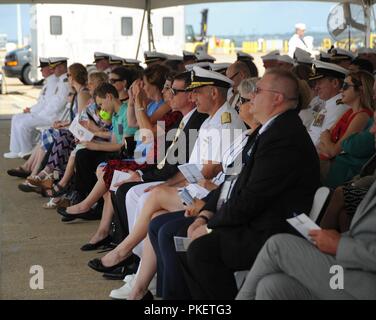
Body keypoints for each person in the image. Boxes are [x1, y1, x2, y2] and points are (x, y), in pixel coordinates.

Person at [182, 69, 320, 299]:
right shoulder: (268, 132)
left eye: (257, 91)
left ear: (277, 98)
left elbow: (253, 198)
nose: (251, 96)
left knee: (200, 251)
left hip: (271, 230)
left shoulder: (285, 137)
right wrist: (205, 214)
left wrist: (210, 227)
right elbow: (231, 181)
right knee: (184, 242)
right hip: (253, 221)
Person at [236, 179, 376, 300]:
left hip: (365, 283)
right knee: (270, 286)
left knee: (277, 246)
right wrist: (337, 238)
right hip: (354, 269)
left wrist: (340, 245)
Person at [318, 70, 375, 184]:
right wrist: (327, 142)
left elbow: (333, 151)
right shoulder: (349, 111)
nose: (341, 90)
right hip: (326, 164)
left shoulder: (362, 116)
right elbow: (323, 136)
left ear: (360, 89)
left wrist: (327, 142)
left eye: (345, 86)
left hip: (338, 171)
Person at [4, 58, 59, 159]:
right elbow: (41, 102)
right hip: (41, 112)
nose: (41, 70)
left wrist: (32, 111)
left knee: (23, 124)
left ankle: (26, 150)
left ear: (50, 69)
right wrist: (31, 109)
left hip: (48, 116)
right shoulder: (49, 82)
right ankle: (15, 150)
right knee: (16, 118)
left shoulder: (54, 83)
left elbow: (48, 105)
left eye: (43, 68)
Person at [307, 60, 350, 147]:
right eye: (315, 83)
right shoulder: (328, 105)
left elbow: (323, 142)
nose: (316, 87)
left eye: (319, 82)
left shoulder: (339, 108)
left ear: (335, 83)